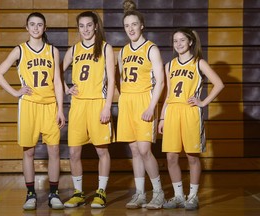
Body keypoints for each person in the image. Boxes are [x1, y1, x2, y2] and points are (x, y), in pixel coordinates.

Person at [0, 12, 66, 210]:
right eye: (32, 25)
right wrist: (16, 92)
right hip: (29, 106)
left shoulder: (53, 51)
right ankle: (31, 194)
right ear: (26, 28)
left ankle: (54, 193)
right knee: (29, 151)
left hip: (50, 105)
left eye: (39, 24)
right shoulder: (20, 51)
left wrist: (60, 109)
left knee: (54, 150)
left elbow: (58, 82)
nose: (35, 28)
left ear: (45, 28)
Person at [158, 28, 224, 210]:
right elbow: (169, 93)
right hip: (172, 111)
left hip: (190, 112)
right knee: (171, 157)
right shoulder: (169, 65)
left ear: (190, 42)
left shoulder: (198, 63)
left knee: (192, 156)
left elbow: (219, 84)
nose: (178, 44)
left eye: (182, 40)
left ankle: (193, 196)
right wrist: (162, 117)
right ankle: (179, 196)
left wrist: (203, 102)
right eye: (175, 41)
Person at [62, 11, 115, 209]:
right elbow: (56, 70)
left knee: (102, 149)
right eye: (81, 26)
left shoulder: (105, 48)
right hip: (78, 105)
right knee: (74, 152)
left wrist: (107, 106)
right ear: (78, 28)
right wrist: (67, 88)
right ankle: (78, 193)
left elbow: (111, 81)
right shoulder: (74, 49)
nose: (85, 29)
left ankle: (101, 192)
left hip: (98, 103)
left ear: (95, 26)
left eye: (88, 25)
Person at [116, 0, 165, 210]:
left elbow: (161, 81)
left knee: (145, 150)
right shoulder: (123, 51)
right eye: (127, 25)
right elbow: (120, 80)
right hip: (127, 101)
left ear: (141, 25)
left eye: (134, 24)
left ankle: (158, 193)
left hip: (145, 100)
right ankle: (139, 194)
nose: (130, 29)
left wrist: (150, 107)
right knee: (134, 150)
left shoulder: (151, 49)